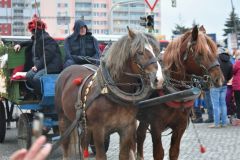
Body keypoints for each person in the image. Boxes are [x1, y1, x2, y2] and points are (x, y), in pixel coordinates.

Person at [14, 15, 62, 95]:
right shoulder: (37, 38)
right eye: (32, 31)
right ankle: (38, 93)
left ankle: (42, 94)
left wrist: (37, 66)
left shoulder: (46, 39)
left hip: (52, 66)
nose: (32, 33)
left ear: (37, 30)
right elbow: (31, 42)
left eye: (33, 31)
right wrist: (20, 44)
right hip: (43, 66)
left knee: (37, 78)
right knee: (29, 75)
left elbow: (48, 55)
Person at [209, 46, 233, 128]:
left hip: (215, 85)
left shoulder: (215, 61)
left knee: (216, 105)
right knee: (223, 104)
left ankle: (216, 123)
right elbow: (230, 75)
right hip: (225, 85)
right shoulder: (229, 62)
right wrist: (225, 80)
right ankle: (224, 123)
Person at [232, 49, 240, 125]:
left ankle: (239, 119)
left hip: (238, 86)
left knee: (238, 102)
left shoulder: (237, 63)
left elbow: (233, 71)